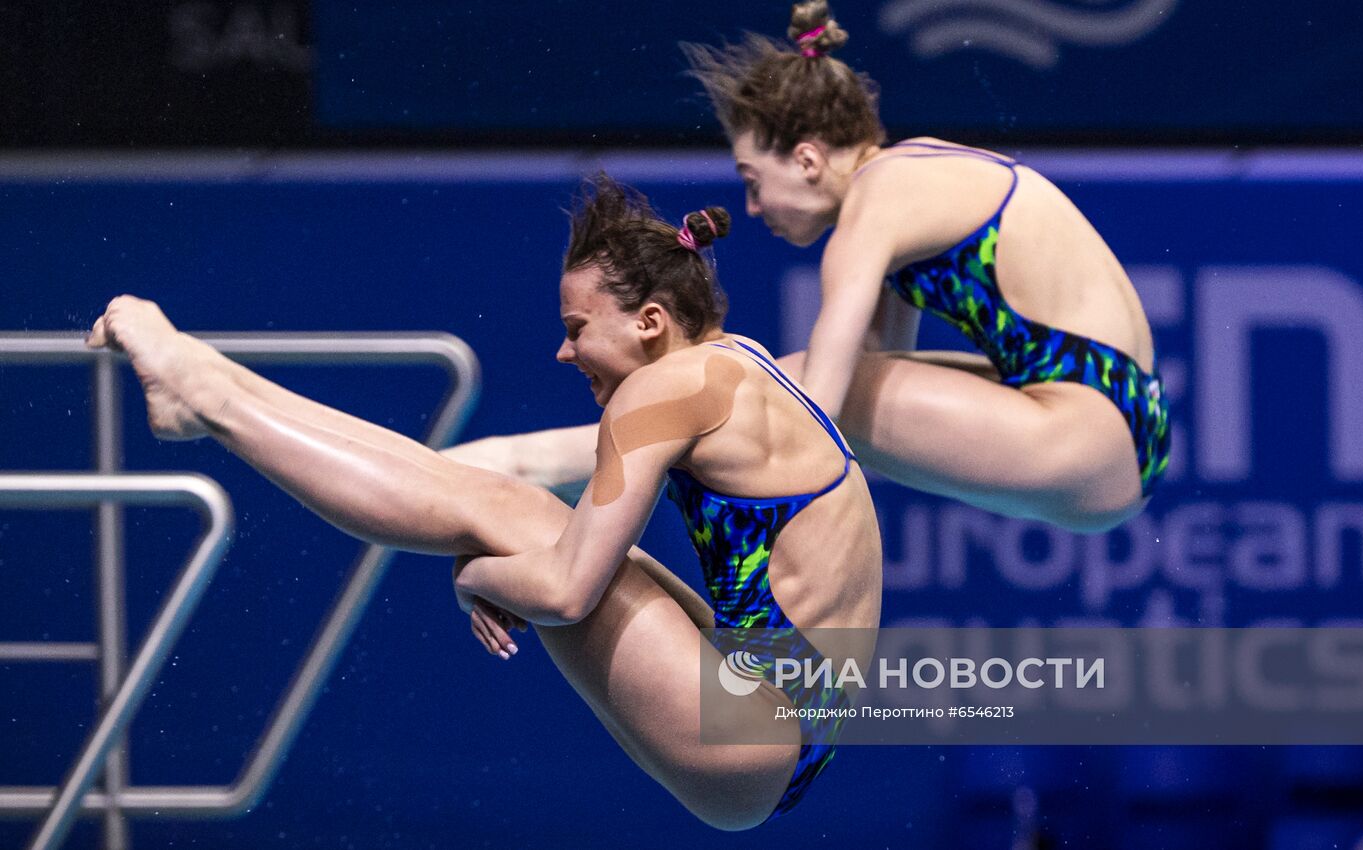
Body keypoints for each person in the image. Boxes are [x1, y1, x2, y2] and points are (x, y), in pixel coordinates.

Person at [86, 174, 882, 828]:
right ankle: (211, 388)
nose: (563, 350)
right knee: (518, 514)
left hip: (749, 730)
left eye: (577, 327)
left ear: (649, 322)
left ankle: (211, 400)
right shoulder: (740, 367)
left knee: (515, 519)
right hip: (782, 730)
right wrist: (512, 565)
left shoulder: (669, 387)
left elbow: (568, 592)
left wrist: (477, 578)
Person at [448, 1, 1170, 534]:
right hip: (1112, 426)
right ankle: (555, 461)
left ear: (807, 159)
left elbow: (820, 403)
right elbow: (879, 365)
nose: (753, 209)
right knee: (790, 385)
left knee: (770, 390)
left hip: (1090, 432)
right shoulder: (911, 181)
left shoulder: (879, 200)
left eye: (753, 180)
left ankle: (534, 461)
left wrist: (700, 436)